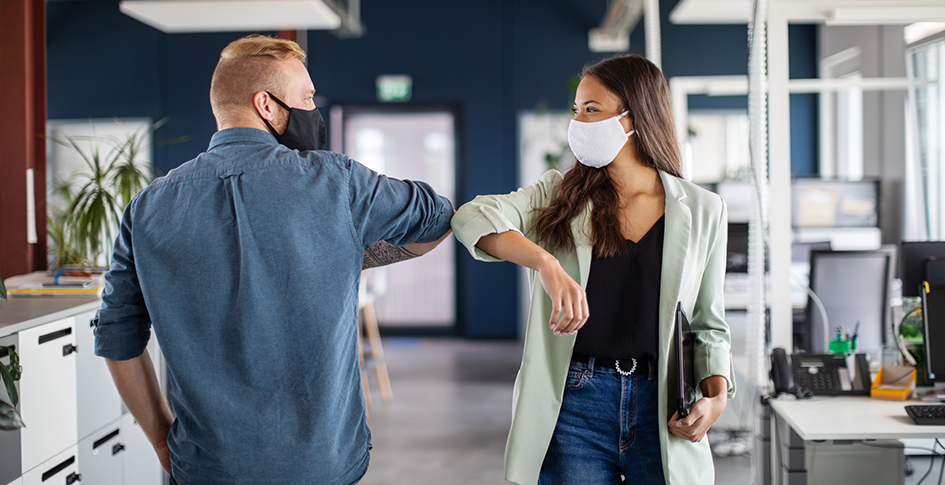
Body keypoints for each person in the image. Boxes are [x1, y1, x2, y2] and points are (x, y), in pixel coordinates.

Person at [93, 35, 453, 484]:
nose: (312, 111)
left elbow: (116, 338)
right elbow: (438, 219)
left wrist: (163, 441)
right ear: (266, 104)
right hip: (322, 466)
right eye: (305, 99)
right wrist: (354, 253)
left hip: (206, 467)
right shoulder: (337, 182)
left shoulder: (147, 208)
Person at [451, 54, 735, 484]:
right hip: (574, 406)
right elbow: (471, 217)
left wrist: (715, 398)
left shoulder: (702, 210)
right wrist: (544, 262)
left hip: (661, 404)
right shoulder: (559, 194)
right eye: (576, 111)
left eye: (592, 110)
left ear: (634, 117)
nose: (578, 122)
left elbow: (707, 324)